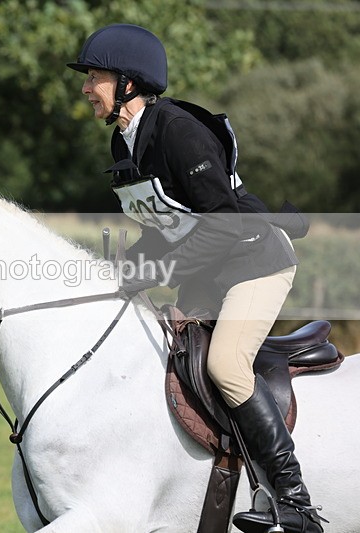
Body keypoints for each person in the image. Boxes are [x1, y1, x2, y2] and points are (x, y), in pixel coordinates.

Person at [67, 24, 323, 533]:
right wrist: (122, 271)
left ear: (128, 84)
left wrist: (161, 272)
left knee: (227, 364)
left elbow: (225, 220)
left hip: (255, 260)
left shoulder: (179, 131)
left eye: (93, 77)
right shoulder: (127, 143)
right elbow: (168, 227)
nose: (85, 89)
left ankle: (293, 499)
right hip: (211, 268)